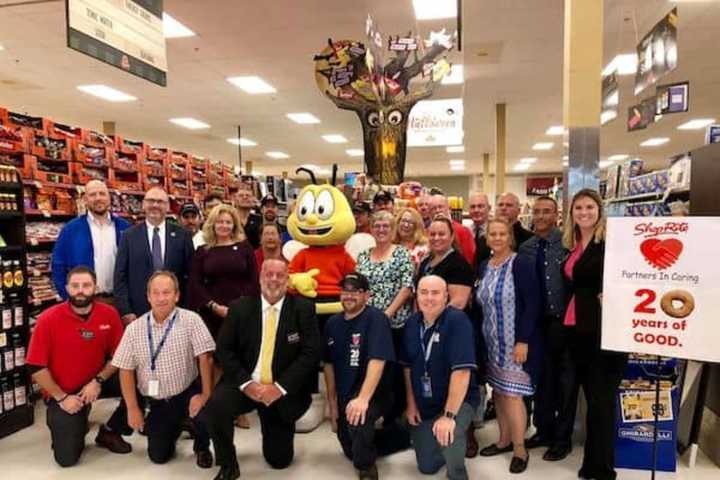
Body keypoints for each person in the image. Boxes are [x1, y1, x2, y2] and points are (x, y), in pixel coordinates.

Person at [204, 259, 322, 480]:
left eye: (280, 275)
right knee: (216, 407)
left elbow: (311, 354)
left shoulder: (303, 309)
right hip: (247, 383)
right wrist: (247, 385)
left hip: (282, 390)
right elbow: (224, 350)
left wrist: (279, 388)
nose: (274, 280)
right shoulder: (240, 307)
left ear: (288, 280)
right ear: (260, 278)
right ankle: (228, 464)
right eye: (269, 274)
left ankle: (270, 423)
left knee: (279, 461)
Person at [26, 266, 132, 467]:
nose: (80, 290)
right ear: (67, 288)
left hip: (97, 381)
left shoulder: (109, 314)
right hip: (63, 391)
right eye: (75, 286)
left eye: (86, 285)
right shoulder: (48, 319)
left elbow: (119, 355)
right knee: (66, 459)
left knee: (137, 380)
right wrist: (62, 398)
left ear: (96, 287)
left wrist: (98, 380)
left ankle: (111, 430)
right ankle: (69, 422)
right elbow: (35, 366)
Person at [112, 271, 214, 467]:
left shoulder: (191, 320)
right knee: (158, 457)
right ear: (148, 296)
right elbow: (125, 369)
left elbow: (206, 358)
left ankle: (202, 446)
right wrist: (132, 408)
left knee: (206, 413)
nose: (161, 298)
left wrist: (205, 394)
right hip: (156, 400)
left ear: (176, 295)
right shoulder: (134, 328)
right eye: (155, 293)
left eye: (166, 293)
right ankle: (176, 426)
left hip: (186, 392)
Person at [562, 189, 627, 480]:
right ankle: (592, 463)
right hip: (580, 330)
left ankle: (603, 469)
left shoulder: (610, 243)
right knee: (592, 399)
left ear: (599, 210)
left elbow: (628, 277)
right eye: (578, 208)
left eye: (589, 207)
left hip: (605, 330)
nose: (584, 212)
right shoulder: (574, 244)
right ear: (572, 213)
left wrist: (613, 294)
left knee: (601, 402)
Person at [476, 218, 540, 474]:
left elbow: (532, 303)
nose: (498, 238)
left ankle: (519, 448)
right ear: (487, 238)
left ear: (510, 237)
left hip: (515, 342)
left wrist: (523, 340)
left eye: (503, 233)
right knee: (500, 393)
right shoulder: (484, 266)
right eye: (493, 234)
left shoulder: (520, 263)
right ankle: (503, 440)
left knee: (513, 395)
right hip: (492, 341)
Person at [400, 275, 479, 480]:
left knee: (449, 433)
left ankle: (457, 473)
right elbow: (407, 367)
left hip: (459, 401)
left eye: (435, 293)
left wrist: (449, 416)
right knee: (426, 466)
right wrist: (411, 404)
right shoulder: (411, 324)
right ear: (416, 296)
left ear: (446, 296)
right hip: (426, 401)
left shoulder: (457, 321)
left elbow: (462, 372)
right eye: (424, 292)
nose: (429, 298)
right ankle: (440, 443)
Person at [323, 272, 396, 480]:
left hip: (374, 392)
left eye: (356, 291)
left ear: (367, 296)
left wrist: (363, 399)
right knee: (349, 449)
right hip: (346, 395)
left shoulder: (376, 318)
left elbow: (378, 360)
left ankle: (367, 468)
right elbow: (328, 365)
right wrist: (333, 403)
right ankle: (370, 440)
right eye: (345, 290)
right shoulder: (332, 324)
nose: (349, 295)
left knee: (358, 421)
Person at [519, 196, 575, 461]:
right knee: (541, 379)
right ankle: (543, 430)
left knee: (565, 382)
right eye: (537, 212)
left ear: (556, 215)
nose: (540, 216)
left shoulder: (568, 244)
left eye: (546, 212)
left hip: (563, 322)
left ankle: (562, 439)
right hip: (537, 323)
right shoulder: (526, 247)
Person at [114, 187, 194, 324]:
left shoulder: (182, 235)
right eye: (151, 201)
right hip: (139, 312)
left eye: (160, 201)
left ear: (168, 206)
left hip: (176, 311)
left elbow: (191, 275)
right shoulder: (129, 236)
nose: (155, 205)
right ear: (143, 204)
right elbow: (120, 276)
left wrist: (187, 308)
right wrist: (126, 310)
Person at [188, 203, 259, 340]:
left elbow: (254, 279)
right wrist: (214, 306)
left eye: (228, 222)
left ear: (234, 225)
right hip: (211, 314)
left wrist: (241, 306)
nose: (224, 226)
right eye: (220, 222)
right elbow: (195, 283)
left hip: (243, 312)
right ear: (212, 224)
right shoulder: (202, 251)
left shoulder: (245, 248)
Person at [51, 180, 130, 302]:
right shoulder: (71, 230)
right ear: (85, 199)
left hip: (118, 301)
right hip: (84, 302)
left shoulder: (125, 228)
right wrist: (69, 298)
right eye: (93, 195)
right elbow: (58, 265)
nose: (98, 198)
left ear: (109, 198)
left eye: (102, 193)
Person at [417, 216, 474, 311]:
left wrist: (435, 322)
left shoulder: (459, 264)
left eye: (441, 234)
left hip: (447, 323)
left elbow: (458, 303)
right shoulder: (425, 261)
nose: (436, 238)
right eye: (432, 234)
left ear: (452, 237)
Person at [428, 193, 475, 265]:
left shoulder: (463, 231)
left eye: (440, 207)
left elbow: (469, 259)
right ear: (429, 213)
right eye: (433, 208)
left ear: (449, 209)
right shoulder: (427, 232)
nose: (437, 210)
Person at [468, 193, 492, 269]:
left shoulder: (496, 233)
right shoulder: (466, 231)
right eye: (473, 207)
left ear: (489, 208)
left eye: (480, 206)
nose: (476, 210)